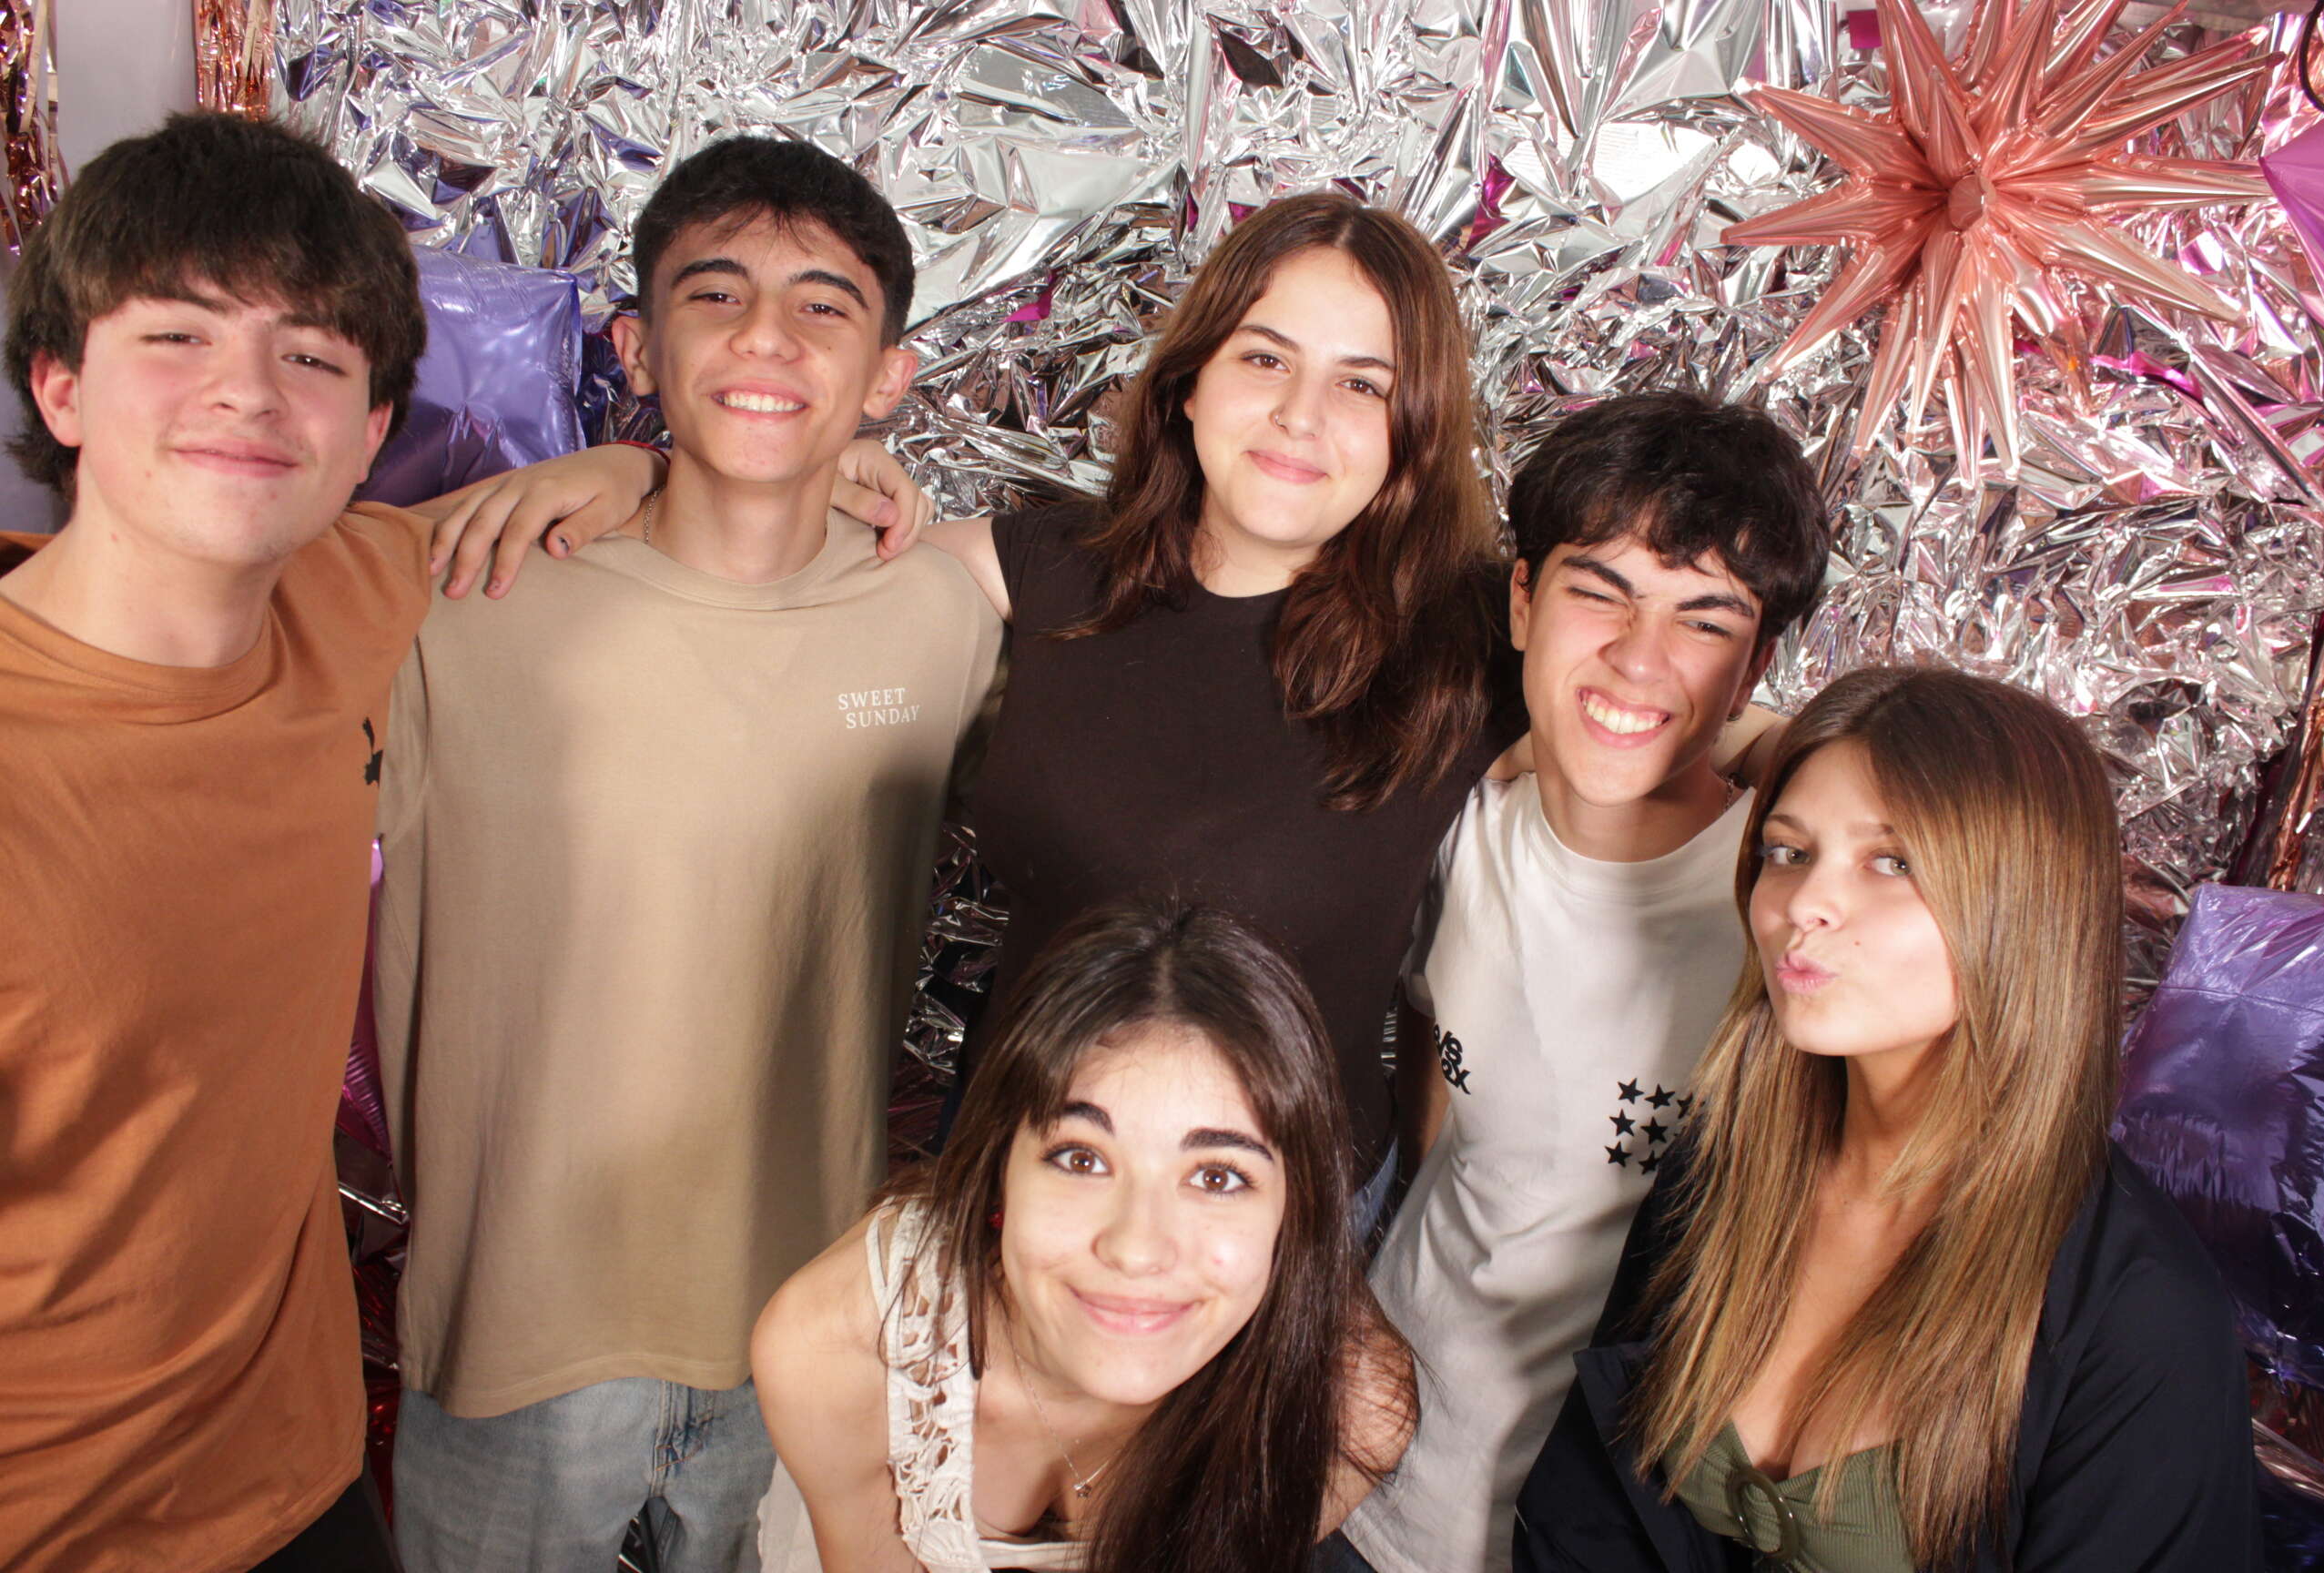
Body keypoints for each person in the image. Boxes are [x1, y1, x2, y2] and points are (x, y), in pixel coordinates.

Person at [485, 192, 1515, 1224]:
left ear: (1413, 429)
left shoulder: (1473, 645)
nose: (1301, 413)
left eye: (1362, 383)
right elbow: (780, 541)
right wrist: (642, 471)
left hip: (1282, 1223)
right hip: (1009, 1175)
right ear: (1189, 382)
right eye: (1264, 358)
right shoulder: (1056, 572)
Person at [370, 133, 1003, 1573]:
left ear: (889, 377)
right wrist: (625, 468)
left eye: (824, 308)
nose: (766, 335)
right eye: (715, 296)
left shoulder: (939, 616)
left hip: (798, 1334)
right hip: (521, 1335)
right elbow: (230, 596)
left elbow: (1172, 607)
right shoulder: (465, 592)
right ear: (637, 350)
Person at [0, 111, 600, 1573]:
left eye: (314, 357)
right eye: (179, 337)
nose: (249, 393)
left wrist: (651, 476)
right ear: (61, 386)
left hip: (297, 1484)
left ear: (371, 435)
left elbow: (566, 517)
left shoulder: (344, 597)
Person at [1514, 665, 2257, 1573]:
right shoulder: (1722, 1161)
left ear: (2025, 904)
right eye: (1788, 852)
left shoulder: (2141, 1319)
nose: (1803, 905)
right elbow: (1588, 1508)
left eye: (1892, 862)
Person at [1334, 391, 1830, 1573]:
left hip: (1601, 1532)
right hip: (1366, 1488)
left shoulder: (1799, 902)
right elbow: (1432, 1079)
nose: (1638, 657)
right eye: (1599, 592)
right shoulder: (1453, 822)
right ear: (1522, 601)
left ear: (1756, 666)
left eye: (1703, 620)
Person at [748, 898, 1416, 1573]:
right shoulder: (834, 1351)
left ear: (1295, 1210)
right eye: (1081, 1159)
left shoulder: (1352, 1413)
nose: (1136, 1249)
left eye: (1217, 1177)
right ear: (998, 1172)